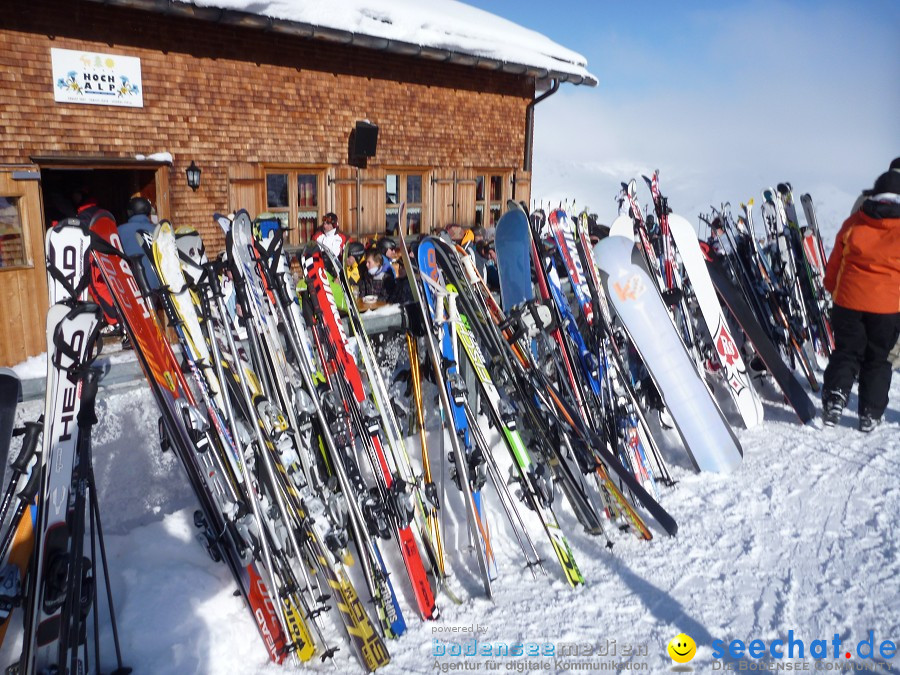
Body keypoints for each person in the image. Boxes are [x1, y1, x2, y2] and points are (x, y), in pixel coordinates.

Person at [821, 170, 900, 431]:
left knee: (846, 351)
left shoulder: (855, 221)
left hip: (848, 300)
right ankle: (870, 414)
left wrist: (831, 287)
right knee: (877, 358)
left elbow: (836, 259)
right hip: (887, 307)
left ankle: (835, 399)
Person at [117, 196, 161, 292]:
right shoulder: (160, 230)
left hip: (134, 286)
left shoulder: (120, 230)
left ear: (129, 212)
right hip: (162, 285)